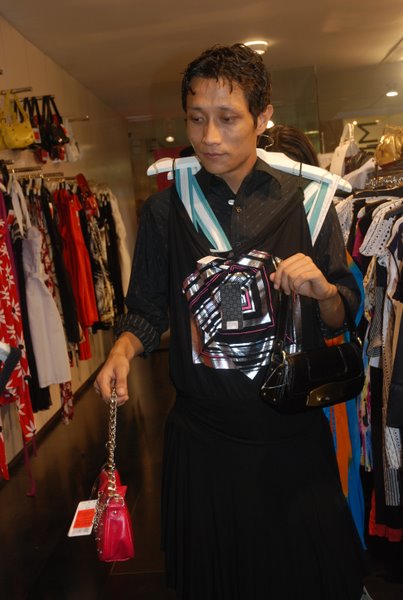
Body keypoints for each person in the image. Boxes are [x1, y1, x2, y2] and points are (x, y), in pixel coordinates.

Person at [95, 44, 366, 599]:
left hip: (291, 436)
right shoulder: (166, 211)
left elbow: (342, 313)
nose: (210, 137)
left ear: (263, 117)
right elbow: (146, 310)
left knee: (307, 579)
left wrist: (322, 291)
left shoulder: (309, 202)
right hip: (204, 441)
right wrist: (121, 351)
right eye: (196, 119)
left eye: (228, 118)